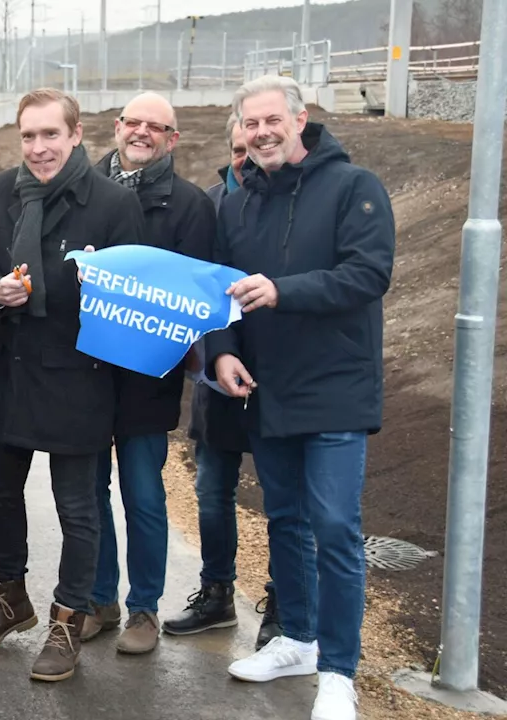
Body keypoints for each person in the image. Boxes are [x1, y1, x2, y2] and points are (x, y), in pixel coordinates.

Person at [207, 75, 394, 720]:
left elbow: (369, 274)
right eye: (250, 124)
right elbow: (219, 300)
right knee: (284, 519)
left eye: (271, 121)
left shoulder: (353, 187)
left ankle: (339, 672)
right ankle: (298, 639)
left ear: (299, 118)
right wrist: (221, 353)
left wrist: (287, 291)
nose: (261, 133)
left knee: (336, 527)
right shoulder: (234, 206)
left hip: (337, 388)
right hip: (267, 389)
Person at [0, 88, 144, 682]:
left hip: (78, 377)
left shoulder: (114, 204)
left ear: (76, 134)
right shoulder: (7, 191)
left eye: (50, 135)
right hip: (10, 367)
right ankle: (10, 597)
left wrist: (68, 290)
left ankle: (68, 618)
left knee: (77, 509)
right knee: (0, 495)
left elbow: (129, 298)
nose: (38, 148)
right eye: (29, 136)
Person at [86, 92, 215, 655]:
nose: (141, 132)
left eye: (154, 126)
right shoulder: (83, 191)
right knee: (88, 493)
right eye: (132, 122)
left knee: (142, 494)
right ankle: (98, 599)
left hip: (147, 375)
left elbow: (195, 295)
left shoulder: (189, 206)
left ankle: (144, 609)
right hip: (86, 371)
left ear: (172, 138)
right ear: (116, 128)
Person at [162, 114, 283, 649]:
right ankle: (216, 594)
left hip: (277, 373)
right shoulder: (210, 204)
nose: (244, 156)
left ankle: (283, 605)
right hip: (217, 375)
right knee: (213, 489)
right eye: (235, 148)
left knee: (283, 497)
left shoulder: (289, 206)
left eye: (249, 146)